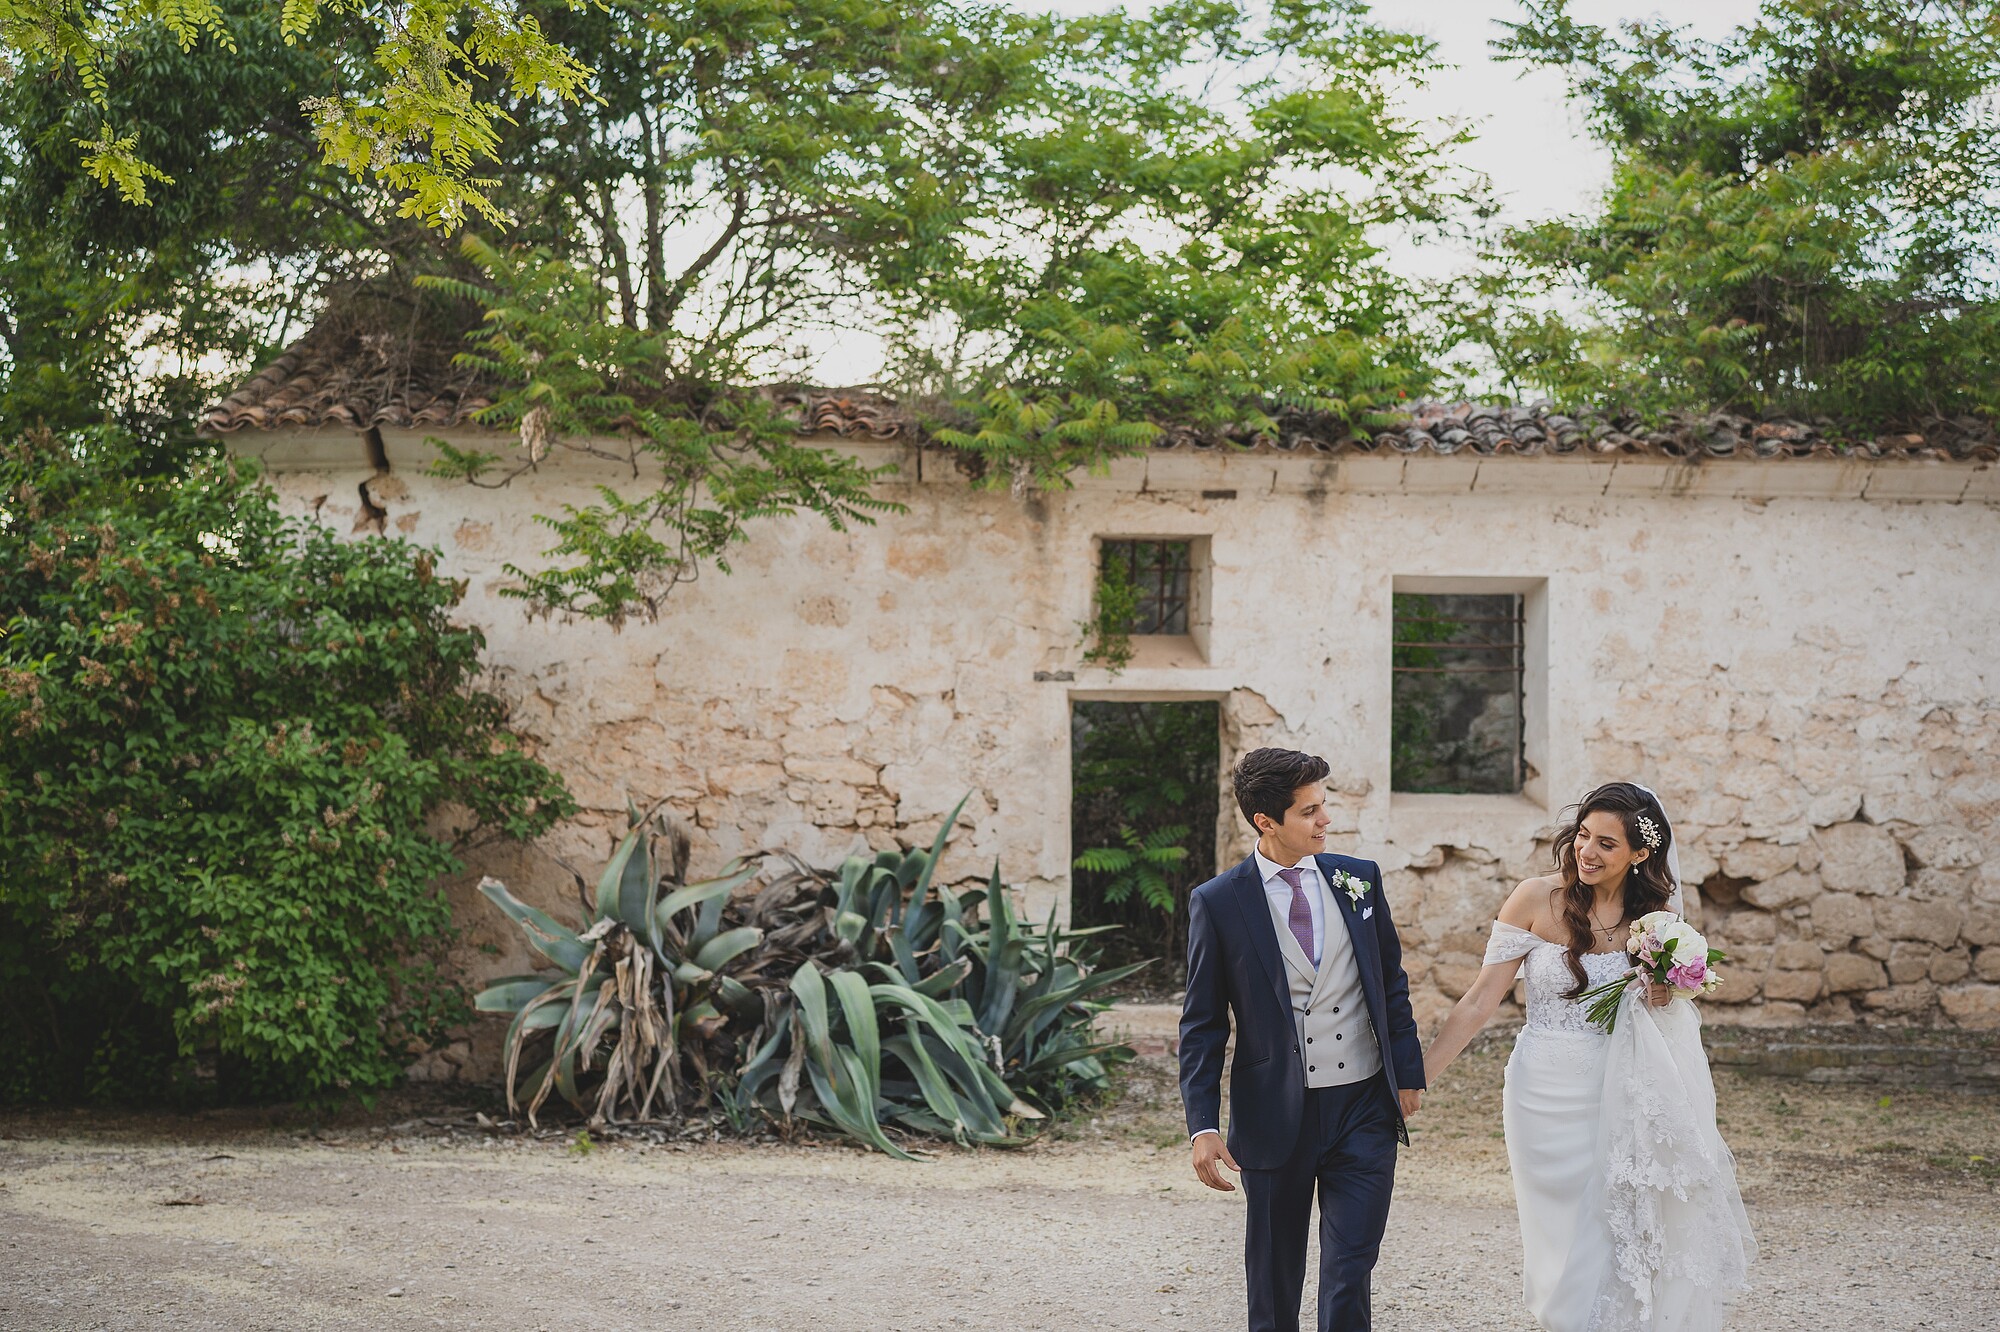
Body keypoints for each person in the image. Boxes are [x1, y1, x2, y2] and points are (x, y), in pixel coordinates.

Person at [1421, 782, 1755, 1331]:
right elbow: (1482, 999)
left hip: (1616, 1086)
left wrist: (1660, 993)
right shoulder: (1533, 898)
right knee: (1554, 1228)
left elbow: (1661, 1014)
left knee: (1611, 1219)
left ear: (1640, 855)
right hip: (1539, 1089)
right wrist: (1418, 1078)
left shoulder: (1657, 922)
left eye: (1606, 844)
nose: (1587, 852)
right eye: (1582, 835)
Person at [1179, 747, 1425, 1332]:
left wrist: (1408, 1072)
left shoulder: (1357, 879)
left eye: (1324, 806)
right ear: (1267, 821)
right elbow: (1203, 1023)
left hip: (1364, 1105)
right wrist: (1203, 1124)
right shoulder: (1217, 902)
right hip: (1274, 1112)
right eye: (1310, 811)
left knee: (1349, 1270)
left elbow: (1391, 981)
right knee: (1273, 1275)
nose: (1326, 821)